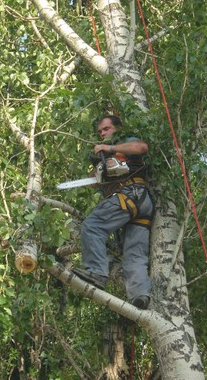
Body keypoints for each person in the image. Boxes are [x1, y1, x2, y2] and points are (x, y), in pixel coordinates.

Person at [72, 115, 154, 309]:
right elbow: (94, 184)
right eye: (100, 131)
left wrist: (110, 149)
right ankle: (140, 296)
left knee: (92, 226)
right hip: (140, 203)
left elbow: (142, 148)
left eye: (106, 129)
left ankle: (97, 272)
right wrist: (99, 167)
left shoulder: (124, 141)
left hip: (130, 194)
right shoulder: (109, 155)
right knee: (134, 254)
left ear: (117, 128)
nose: (102, 133)